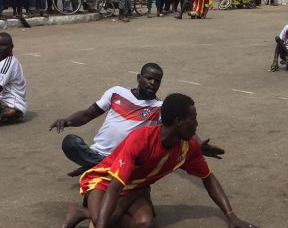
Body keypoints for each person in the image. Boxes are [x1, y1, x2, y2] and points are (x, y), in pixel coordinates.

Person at [61, 93, 259, 228]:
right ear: (179, 122)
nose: (197, 124)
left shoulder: (187, 148)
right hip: (105, 181)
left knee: (145, 224)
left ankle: (93, 215)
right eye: (194, 119)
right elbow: (115, 185)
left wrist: (231, 215)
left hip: (136, 187)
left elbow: (208, 178)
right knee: (101, 222)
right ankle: (83, 213)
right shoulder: (141, 139)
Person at [49, 63, 224, 177]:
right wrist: (67, 121)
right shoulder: (116, 92)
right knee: (70, 142)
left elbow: (182, 125)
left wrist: (199, 146)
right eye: (149, 78)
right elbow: (88, 114)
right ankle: (99, 166)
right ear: (139, 78)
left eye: (157, 81)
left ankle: (96, 168)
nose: (153, 83)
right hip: (97, 152)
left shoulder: (160, 107)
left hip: (125, 160)